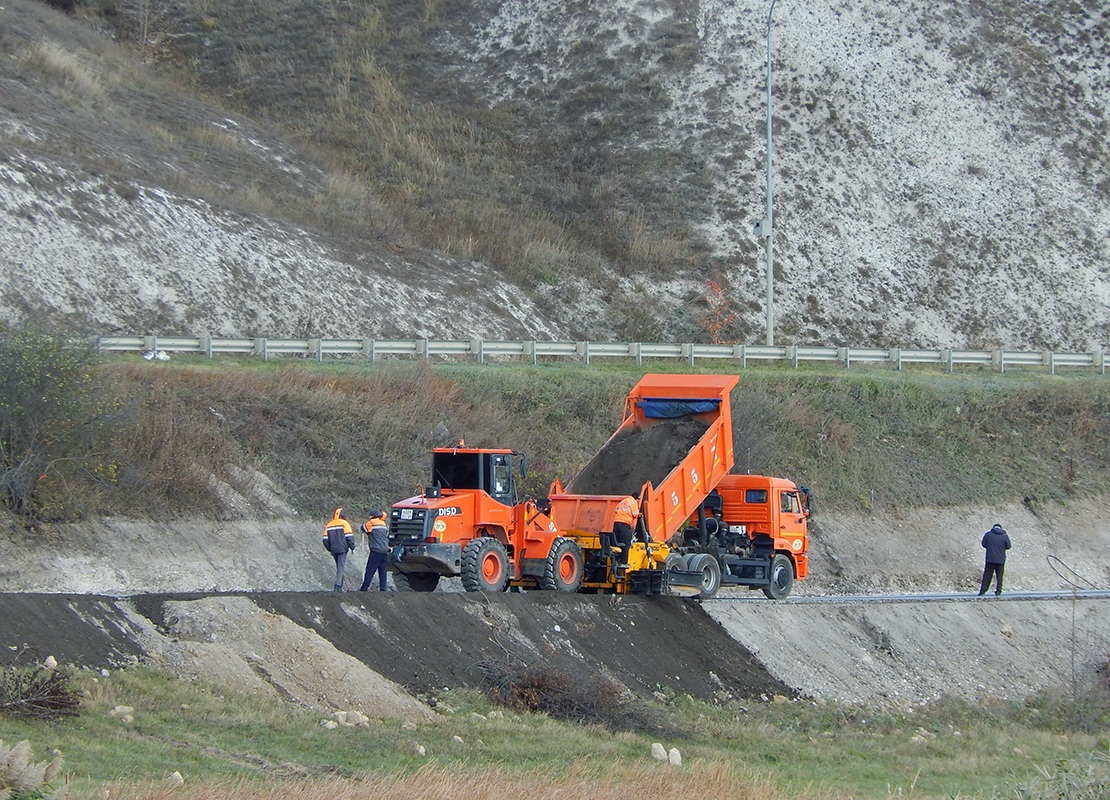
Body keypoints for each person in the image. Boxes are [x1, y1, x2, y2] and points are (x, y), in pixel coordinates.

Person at [322, 507, 355, 592]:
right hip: (343, 549)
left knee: (339, 566)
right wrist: (352, 547)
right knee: (341, 567)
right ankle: (338, 586)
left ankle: (340, 583)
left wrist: (329, 548)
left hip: (333, 549)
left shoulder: (329, 524)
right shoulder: (345, 524)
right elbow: (349, 537)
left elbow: (325, 540)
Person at [359, 509, 391, 592]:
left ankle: (364, 588)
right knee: (382, 570)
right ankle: (383, 589)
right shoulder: (383, 524)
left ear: (372, 516)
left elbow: (364, 528)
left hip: (376, 550)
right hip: (385, 550)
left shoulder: (372, 522)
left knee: (370, 569)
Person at [977, 523, 1012, 596]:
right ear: (1001, 528)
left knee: (987, 575)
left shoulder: (988, 535)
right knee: (999, 576)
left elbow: (983, 544)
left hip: (990, 559)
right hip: (1000, 560)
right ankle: (998, 591)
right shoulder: (1004, 536)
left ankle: (983, 591)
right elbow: (1008, 546)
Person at [612, 492, 641, 563]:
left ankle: (616, 560)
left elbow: (616, 510)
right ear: (636, 498)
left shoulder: (623, 501)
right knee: (626, 543)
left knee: (617, 543)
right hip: (624, 524)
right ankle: (623, 562)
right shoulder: (633, 502)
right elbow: (635, 514)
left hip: (616, 523)